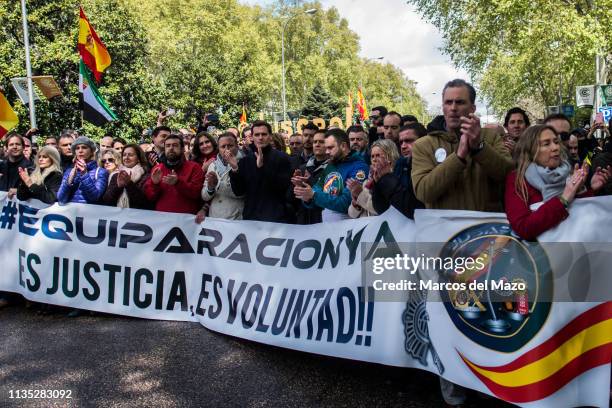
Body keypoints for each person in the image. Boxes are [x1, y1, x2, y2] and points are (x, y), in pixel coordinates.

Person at [412, 79, 513, 212]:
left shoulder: (491, 137)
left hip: (485, 228)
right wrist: (457, 158)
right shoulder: (423, 145)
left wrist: (479, 148)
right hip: (446, 229)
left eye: (460, 102)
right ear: (443, 107)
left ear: (473, 108)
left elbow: (509, 175)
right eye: (448, 102)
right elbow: (423, 192)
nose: (453, 108)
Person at [505, 125, 610, 240]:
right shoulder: (517, 179)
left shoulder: (567, 170)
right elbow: (523, 228)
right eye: (546, 144)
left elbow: (578, 214)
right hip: (542, 255)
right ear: (530, 150)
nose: (555, 147)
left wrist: (590, 190)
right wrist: (563, 199)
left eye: (556, 142)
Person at [294, 128, 369, 222]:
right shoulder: (331, 165)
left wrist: (313, 195)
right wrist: (305, 194)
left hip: (348, 228)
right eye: (326, 148)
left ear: (343, 146)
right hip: (328, 229)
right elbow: (316, 192)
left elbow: (345, 203)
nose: (327, 152)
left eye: (330, 148)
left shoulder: (359, 167)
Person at [228, 120, 293, 222]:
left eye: (264, 134)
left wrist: (262, 168)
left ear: (270, 136)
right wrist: (235, 169)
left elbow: (284, 189)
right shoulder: (246, 160)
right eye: (257, 134)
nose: (260, 137)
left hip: (277, 219)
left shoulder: (283, 158)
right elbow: (239, 191)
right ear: (252, 137)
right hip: (252, 219)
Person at [370, 123, 425, 218]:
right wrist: (379, 182)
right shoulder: (400, 166)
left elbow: (413, 210)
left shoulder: (429, 166)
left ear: (424, 141)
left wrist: (387, 179)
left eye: (409, 141)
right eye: (401, 142)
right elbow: (382, 210)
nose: (403, 146)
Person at [144, 134, 204, 214]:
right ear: (164, 149)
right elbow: (150, 197)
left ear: (182, 149)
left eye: (175, 145)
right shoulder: (157, 168)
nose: (171, 148)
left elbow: (197, 194)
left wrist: (178, 183)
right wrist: (154, 184)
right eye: (168, 146)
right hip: (162, 218)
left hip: (186, 218)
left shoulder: (194, 167)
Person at [197, 132, 244, 222]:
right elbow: (205, 196)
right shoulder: (213, 165)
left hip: (236, 217)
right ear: (218, 148)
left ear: (237, 146)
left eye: (230, 145)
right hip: (215, 217)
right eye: (223, 146)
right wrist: (210, 188)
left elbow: (241, 194)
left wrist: (217, 184)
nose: (226, 149)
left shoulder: (244, 162)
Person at [348, 139, 399, 218]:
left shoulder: (394, 180)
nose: (374, 159)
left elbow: (381, 209)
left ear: (390, 157)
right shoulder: (367, 182)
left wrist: (360, 195)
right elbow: (351, 214)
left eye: (378, 155)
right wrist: (356, 203)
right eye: (372, 156)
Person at [292, 129, 329, 224]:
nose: (317, 144)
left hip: (324, 220)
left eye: (321, 142)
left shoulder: (333, 168)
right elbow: (293, 200)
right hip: (304, 220)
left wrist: (310, 182)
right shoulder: (303, 168)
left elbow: (329, 197)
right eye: (315, 142)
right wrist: (298, 186)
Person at [57, 136, 108, 204]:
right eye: (77, 148)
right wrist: (69, 181)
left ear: (91, 151)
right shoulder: (69, 171)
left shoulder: (101, 172)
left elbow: (95, 197)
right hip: (71, 213)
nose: (80, 151)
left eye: (84, 147)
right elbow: (61, 199)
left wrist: (84, 174)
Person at [102, 144, 151, 209]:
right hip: (117, 217)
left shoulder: (145, 176)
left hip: (137, 217)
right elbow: (107, 201)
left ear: (138, 158)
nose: (126, 157)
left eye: (130, 155)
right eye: (124, 155)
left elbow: (144, 203)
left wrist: (129, 184)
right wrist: (118, 187)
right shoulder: (116, 175)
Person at [0, 134, 33, 199]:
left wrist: (19, 191)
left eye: (18, 144)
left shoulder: (31, 167)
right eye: (11, 144)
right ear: (6, 148)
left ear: (23, 147)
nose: (15, 147)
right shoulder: (1, 166)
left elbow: (37, 191)